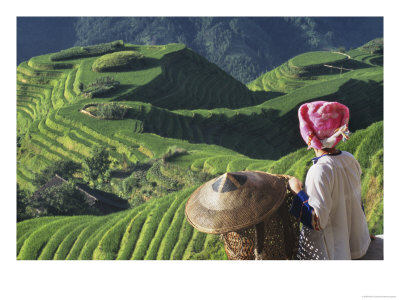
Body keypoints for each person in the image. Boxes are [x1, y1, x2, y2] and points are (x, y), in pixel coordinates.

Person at [288, 101, 371, 260]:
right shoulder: (349, 159)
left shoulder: (319, 170)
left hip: (337, 253)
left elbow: (317, 222)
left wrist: (297, 191)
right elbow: (356, 202)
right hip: (359, 245)